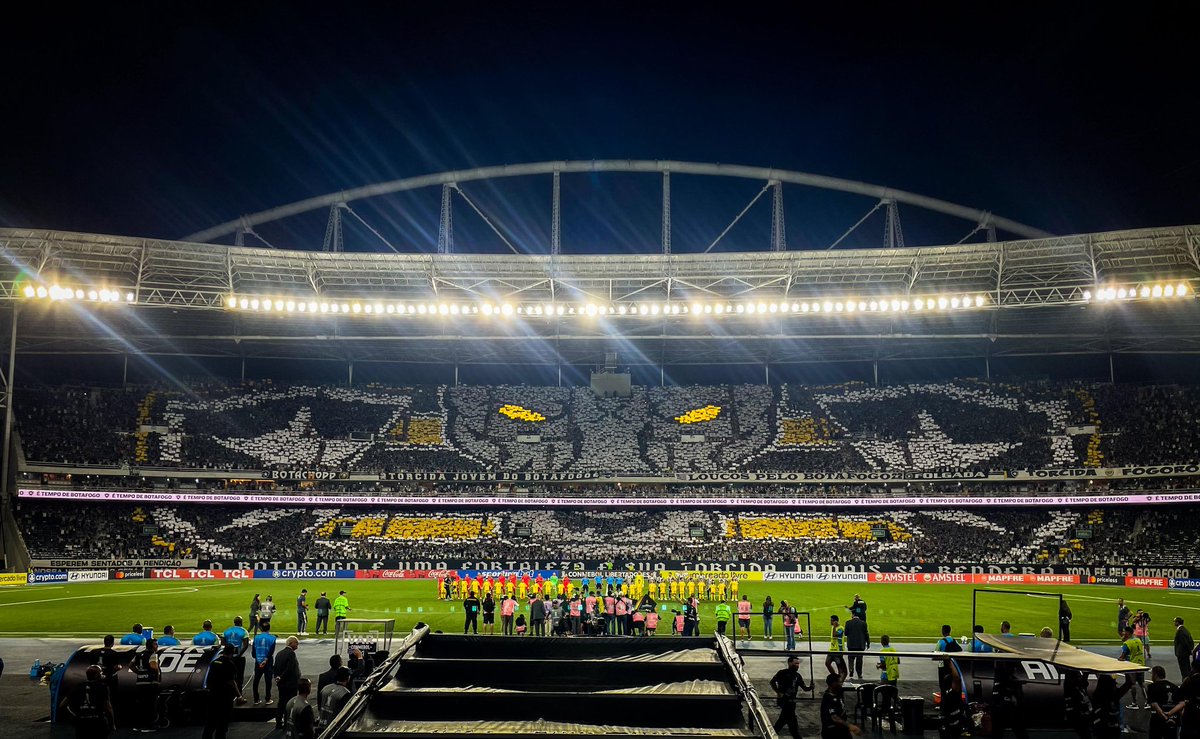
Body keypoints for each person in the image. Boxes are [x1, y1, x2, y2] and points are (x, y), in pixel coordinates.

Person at [59, 664, 114, 739]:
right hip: (98, 723)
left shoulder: (78, 686)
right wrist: (112, 724)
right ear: (96, 675)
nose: (102, 675)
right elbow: (108, 708)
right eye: (100, 673)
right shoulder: (102, 687)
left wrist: (74, 716)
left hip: (82, 723)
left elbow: (62, 705)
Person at [201, 644, 241, 739]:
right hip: (224, 697)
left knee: (210, 723)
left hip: (212, 695)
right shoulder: (229, 664)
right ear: (232, 652)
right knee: (222, 724)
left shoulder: (214, 662)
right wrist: (239, 696)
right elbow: (231, 681)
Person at [770, 655, 814, 739]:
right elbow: (772, 682)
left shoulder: (797, 676)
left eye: (798, 663)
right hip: (784, 701)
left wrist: (810, 687)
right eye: (795, 663)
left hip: (792, 702)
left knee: (784, 722)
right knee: (791, 724)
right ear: (789, 663)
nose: (797, 665)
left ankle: (770, 735)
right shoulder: (782, 673)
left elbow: (804, 688)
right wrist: (778, 692)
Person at [129, 638, 161, 733]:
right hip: (150, 682)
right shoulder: (153, 654)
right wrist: (157, 675)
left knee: (141, 704)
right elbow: (153, 666)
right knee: (150, 704)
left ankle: (139, 725)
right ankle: (149, 726)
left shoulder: (139, 654)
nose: (157, 646)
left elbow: (131, 665)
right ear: (151, 645)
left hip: (140, 681)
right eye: (155, 644)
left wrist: (139, 672)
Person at [990, 662, 1029, 739]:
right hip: (1002, 710)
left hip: (1011, 710)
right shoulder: (1000, 680)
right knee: (998, 731)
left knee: (1019, 731)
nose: (1014, 669)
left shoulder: (1013, 681)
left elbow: (1019, 698)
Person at [1092, 673, 1135, 739]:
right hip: (1108, 728)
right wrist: (1127, 671)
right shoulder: (1115, 695)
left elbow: (1129, 683)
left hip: (1102, 728)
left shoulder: (1097, 696)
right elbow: (1129, 683)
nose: (1115, 686)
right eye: (1114, 684)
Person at [820, 673, 861, 739]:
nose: (841, 684)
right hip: (832, 731)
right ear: (833, 684)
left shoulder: (839, 692)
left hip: (842, 729)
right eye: (838, 682)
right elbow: (834, 718)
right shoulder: (828, 699)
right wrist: (850, 726)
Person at [274, 636, 301, 729]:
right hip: (290, 684)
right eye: (296, 643)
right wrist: (281, 677)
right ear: (291, 643)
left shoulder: (279, 653)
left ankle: (278, 722)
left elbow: (276, 667)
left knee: (281, 702)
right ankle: (287, 723)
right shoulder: (291, 654)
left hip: (281, 684)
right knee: (290, 704)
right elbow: (290, 669)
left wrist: (277, 678)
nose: (297, 645)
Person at [1146, 665, 1178, 739]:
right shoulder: (1174, 687)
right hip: (1173, 718)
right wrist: (1170, 714)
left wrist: (1165, 718)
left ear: (1155, 675)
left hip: (1157, 719)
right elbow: (1181, 703)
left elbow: (1154, 704)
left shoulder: (1152, 687)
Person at [938, 659, 968, 739]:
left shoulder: (954, 692)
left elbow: (957, 679)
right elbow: (956, 679)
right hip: (947, 724)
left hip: (953, 725)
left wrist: (950, 662)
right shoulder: (947, 692)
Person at [1120, 625, 1148, 708]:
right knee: (1142, 683)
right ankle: (1147, 702)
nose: (1123, 633)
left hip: (1132, 665)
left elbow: (1122, 657)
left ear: (1128, 633)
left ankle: (1134, 703)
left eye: (1124, 632)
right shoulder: (1138, 640)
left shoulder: (1127, 643)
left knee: (1132, 684)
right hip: (1140, 664)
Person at [251, 621, 277, 705]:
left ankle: (256, 699)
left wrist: (258, 659)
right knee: (268, 680)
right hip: (268, 662)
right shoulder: (272, 638)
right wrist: (265, 660)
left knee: (256, 680)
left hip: (258, 661)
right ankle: (268, 698)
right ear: (269, 628)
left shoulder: (256, 638)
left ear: (261, 628)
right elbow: (271, 651)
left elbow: (253, 652)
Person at [1062, 668, 1092, 739]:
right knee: (1085, 734)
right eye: (1078, 676)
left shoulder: (1081, 687)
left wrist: (1087, 670)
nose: (1080, 678)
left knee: (1087, 734)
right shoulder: (1070, 687)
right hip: (1077, 717)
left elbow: (1084, 680)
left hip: (1084, 716)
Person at [221, 616, 249, 691]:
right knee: (239, 677)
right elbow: (246, 645)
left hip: (228, 657)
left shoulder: (227, 631)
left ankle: (229, 693)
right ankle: (239, 695)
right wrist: (238, 655)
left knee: (228, 676)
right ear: (241, 623)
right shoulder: (244, 631)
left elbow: (222, 643)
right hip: (239, 657)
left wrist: (227, 653)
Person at [843, 611, 869, 680]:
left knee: (851, 659)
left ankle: (851, 670)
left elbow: (845, 633)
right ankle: (859, 673)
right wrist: (868, 643)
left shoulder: (848, 623)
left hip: (851, 644)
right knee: (859, 660)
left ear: (853, 614)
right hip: (860, 645)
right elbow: (866, 634)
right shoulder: (863, 623)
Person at [826, 615, 848, 680]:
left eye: (831, 620)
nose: (830, 622)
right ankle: (835, 677)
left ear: (835, 621)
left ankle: (839, 681)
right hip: (832, 650)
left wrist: (835, 627)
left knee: (840, 667)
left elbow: (834, 635)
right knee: (827, 663)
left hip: (838, 651)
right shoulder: (833, 627)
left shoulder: (841, 628)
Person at [1176, 618, 1195, 683]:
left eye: (1175, 621)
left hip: (1182, 654)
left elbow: (1185, 643)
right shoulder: (1184, 630)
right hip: (1185, 653)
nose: (1174, 623)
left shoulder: (1181, 631)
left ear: (1177, 622)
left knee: (1184, 670)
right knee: (1187, 668)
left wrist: (1179, 652)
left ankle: (1186, 683)